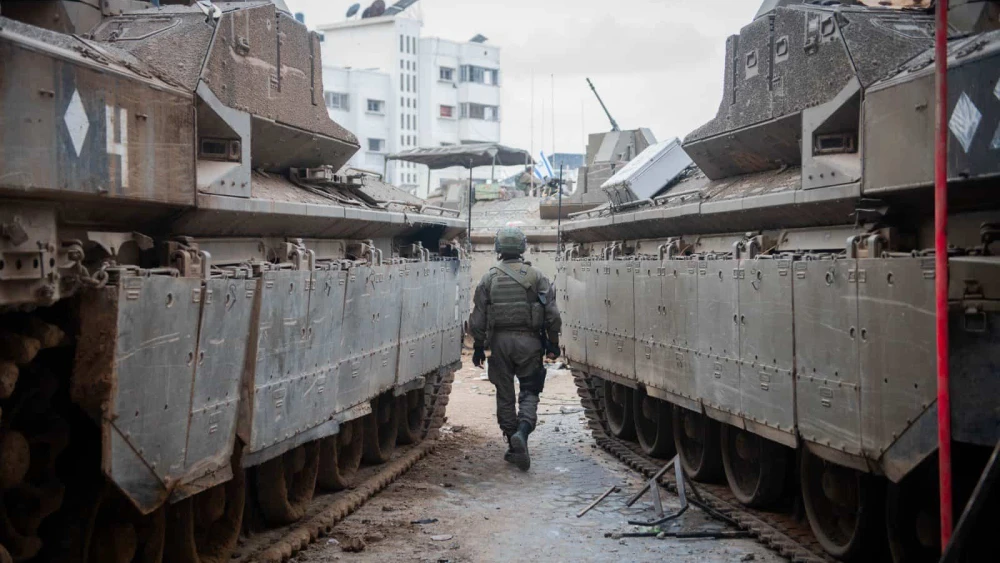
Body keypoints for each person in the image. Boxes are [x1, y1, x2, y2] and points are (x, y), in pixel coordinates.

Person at [468, 227, 561, 471]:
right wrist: (553, 343)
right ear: (522, 248)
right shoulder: (537, 276)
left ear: (498, 249)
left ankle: (512, 442)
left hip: (500, 343)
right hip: (530, 342)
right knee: (530, 389)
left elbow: (477, 318)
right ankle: (523, 431)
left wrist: (478, 347)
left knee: (504, 393)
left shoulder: (488, 278)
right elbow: (552, 314)